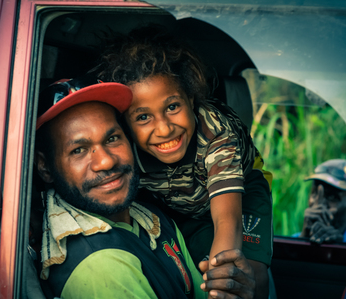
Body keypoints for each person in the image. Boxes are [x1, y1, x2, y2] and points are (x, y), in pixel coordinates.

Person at [34, 76, 256, 299]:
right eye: (79, 150)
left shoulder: (150, 218)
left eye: (112, 138)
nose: (106, 162)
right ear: (45, 168)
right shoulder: (101, 265)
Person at [96, 25, 273, 298]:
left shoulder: (215, 133)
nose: (164, 129)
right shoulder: (125, 148)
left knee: (248, 273)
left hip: (240, 195)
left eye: (172, 107)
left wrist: (223, 277)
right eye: (143, 117)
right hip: (180, 202)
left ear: (191, 100)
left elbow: (228, 220)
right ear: (126, 123)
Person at [296, 159, 346, 244]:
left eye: (332, 197)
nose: (319, 203)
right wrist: (303, 242)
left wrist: (340, 251)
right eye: (314, 193)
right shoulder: (295, 239)